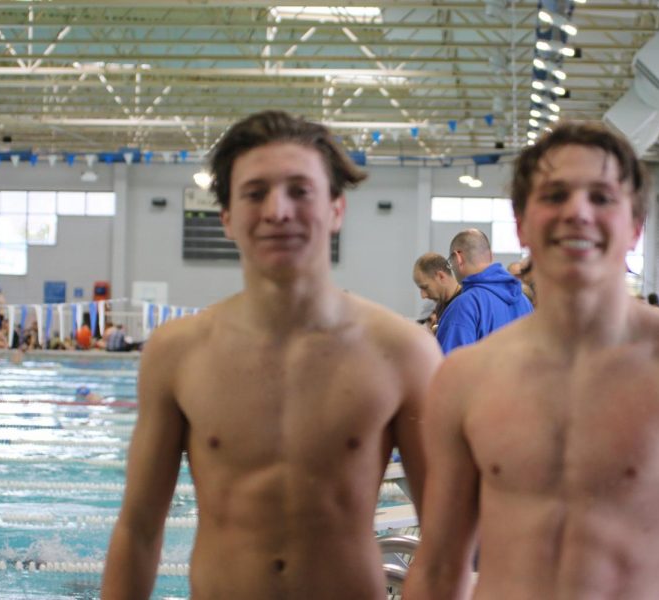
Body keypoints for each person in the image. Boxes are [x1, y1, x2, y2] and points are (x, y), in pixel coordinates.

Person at [404, 122, 659, 599]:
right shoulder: (466, 379)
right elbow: (437, 569)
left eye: (601, 196)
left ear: (636, 225)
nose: (577, 212)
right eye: (554, 195)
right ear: (522, 223)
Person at [102, 111, 442, 599]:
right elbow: (137, 531)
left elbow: (445, 536)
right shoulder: (177, 354)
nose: (278, 211)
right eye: (255, 193)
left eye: (300, 191)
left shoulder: (402, 352)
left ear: (336, 209)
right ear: (227, 217)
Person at [435, 228, 533, 354]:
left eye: (450, 263)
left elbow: (451, 367)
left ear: (458, 258)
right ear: (491, 256)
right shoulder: (525, 302)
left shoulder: (464, 306)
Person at [413, 253, 462, 333]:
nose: (423, 296)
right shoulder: (440, 305)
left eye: (425, 287)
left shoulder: (463, 305)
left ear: (441, 276)